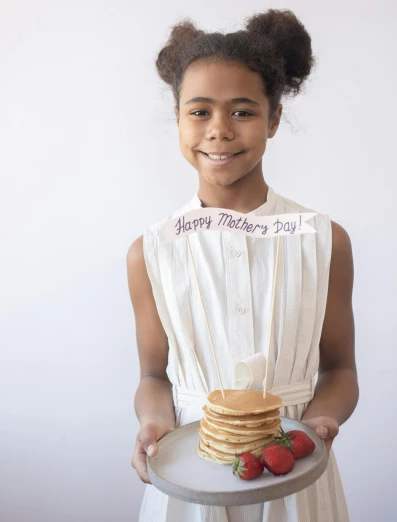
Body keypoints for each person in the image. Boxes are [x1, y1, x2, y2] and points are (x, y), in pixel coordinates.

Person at [126, 9, 358, 522]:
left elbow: (340, 368)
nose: (219, 131)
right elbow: (153, 375)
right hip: (188, 474)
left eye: (243, 112)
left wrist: (319, 420)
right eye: (200, 111)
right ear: (179, 117)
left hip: (296, 474)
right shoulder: (151, 251)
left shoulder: (325, 241)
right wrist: (153, 422)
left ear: (274, 119)